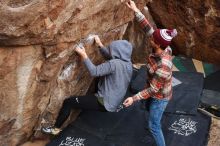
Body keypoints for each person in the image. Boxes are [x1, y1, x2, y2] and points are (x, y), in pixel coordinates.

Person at [42, 36, 133, 135]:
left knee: (69, 102)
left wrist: (84, 54)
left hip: (104, 102)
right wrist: (100, 45)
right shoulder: (128, 64)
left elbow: (94, 71)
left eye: (113, 49)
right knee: (96, 86)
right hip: (114, 102)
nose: (111, 50)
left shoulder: (114, 64)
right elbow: (111, 58)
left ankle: (55, 130)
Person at [123, 1, 177, 146]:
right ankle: (154, 114)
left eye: (153, 39)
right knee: (149, 107)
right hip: (155, 89)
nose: (150, 38)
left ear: (158, 44)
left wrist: (133, 99)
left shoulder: (163, 66)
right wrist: (135, 10)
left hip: (160, 96)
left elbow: (153, 90)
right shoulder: (163, 45)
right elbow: (148, 28)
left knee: (153, 126)